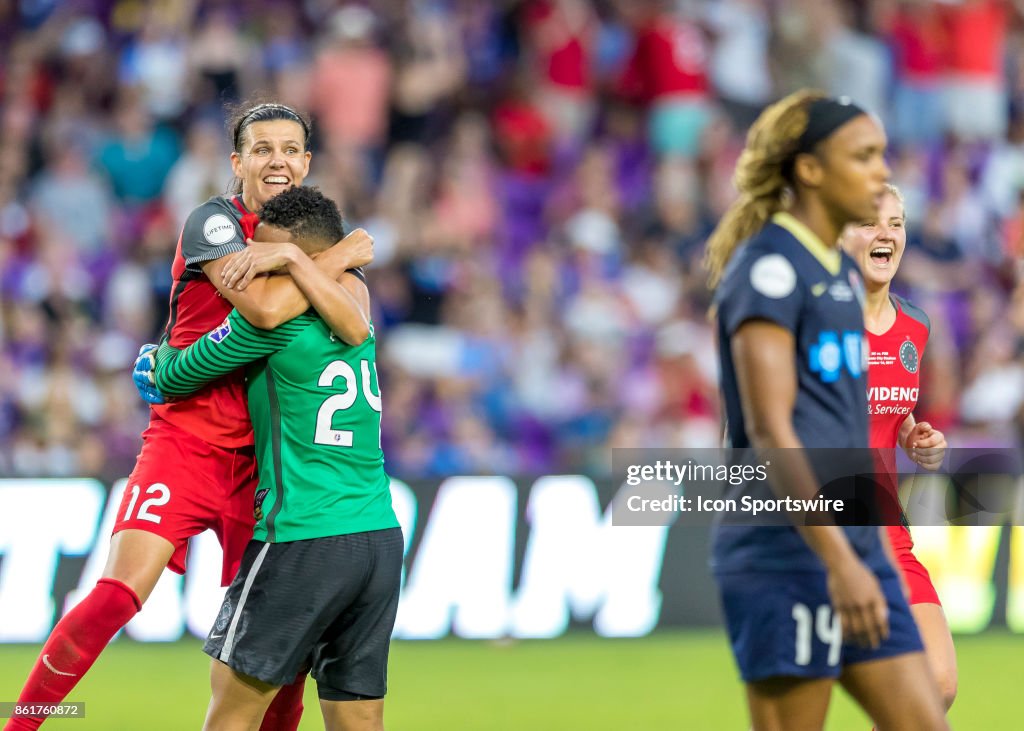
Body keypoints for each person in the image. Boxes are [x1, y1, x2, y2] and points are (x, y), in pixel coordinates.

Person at [4, 101, 371, 731]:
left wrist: (310, 258)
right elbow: (259, 308)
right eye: (262, 148)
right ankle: (22, 722)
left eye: (289, 149)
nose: (276, 160)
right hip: (187, 438)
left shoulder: (311, 236)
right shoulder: (215, 222)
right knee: (120, 593)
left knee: (273, 647)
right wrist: (334, 259)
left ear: (307, 162)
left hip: (269, 462)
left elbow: (358, 325)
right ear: (238, 162)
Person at [704, 90, 949, 730]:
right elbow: (768, 432)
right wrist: (839, 559)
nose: (878, 172)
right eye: (862, 156)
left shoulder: (837, 278)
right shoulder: (770, 271)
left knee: (929, 712)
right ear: (810, 170)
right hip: (787, 550)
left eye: (880, 156)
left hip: (858, 537)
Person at [147, 185, 401, 731]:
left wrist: (162, 348)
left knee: (231, 715)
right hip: (377, 539)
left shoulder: (272, 325)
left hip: (300, 535)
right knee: (359, 721)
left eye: (260, 256)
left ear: (299, 260)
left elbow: (172, 378)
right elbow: (351, 322)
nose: (250, 268)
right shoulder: (357, 305)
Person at [840, 183, 957, 711]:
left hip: (886, 529)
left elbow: (891, 409)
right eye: (870, 221)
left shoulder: (915, 324)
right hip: (815, 529)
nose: (886, 234)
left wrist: (914, 435)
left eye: (898, 223)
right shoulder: (810, 321)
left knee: (936, 684)